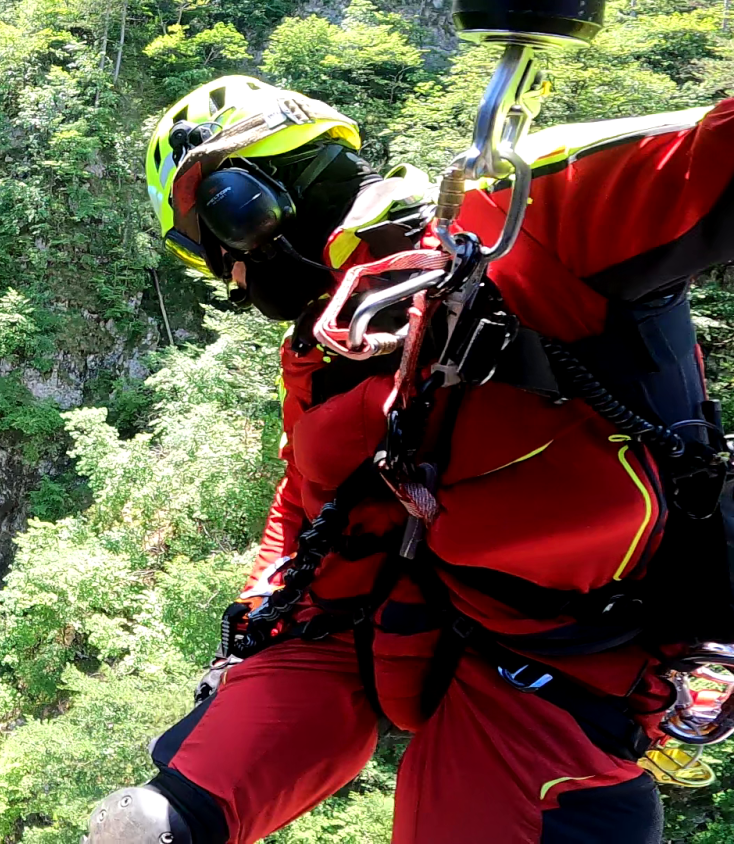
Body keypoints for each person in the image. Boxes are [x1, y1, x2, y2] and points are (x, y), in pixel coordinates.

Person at [83, 73, 734, 844]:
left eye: (218, 255)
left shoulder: (528, 211)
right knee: (144, 826)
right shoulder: (320, 354)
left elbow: (710, 158)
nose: (234, 284)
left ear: (244, 205)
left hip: (564, 669)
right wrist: (248, 639)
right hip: (398, 631)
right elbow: (306, 514)